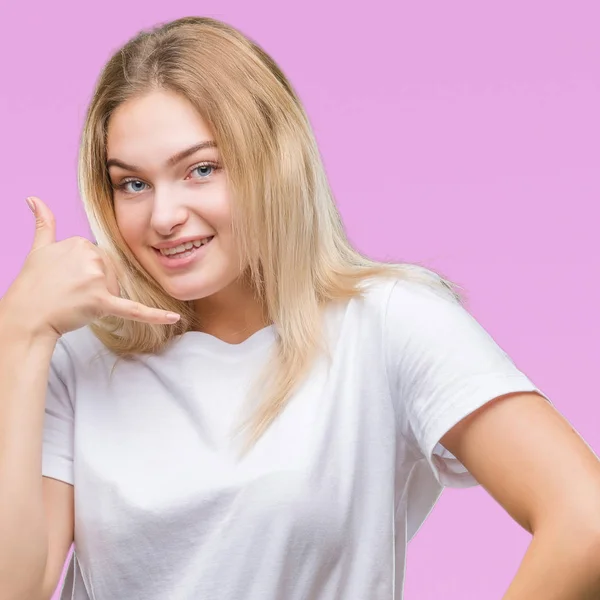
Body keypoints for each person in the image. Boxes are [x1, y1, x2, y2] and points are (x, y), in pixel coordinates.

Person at [1, 16, 599, 600]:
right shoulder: (79, 357)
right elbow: (15, 586)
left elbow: (585, 523)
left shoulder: (388, 325)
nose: (162, 216)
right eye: (132, 183)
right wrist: (19, 332)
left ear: (274, 160)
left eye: (201, 169)